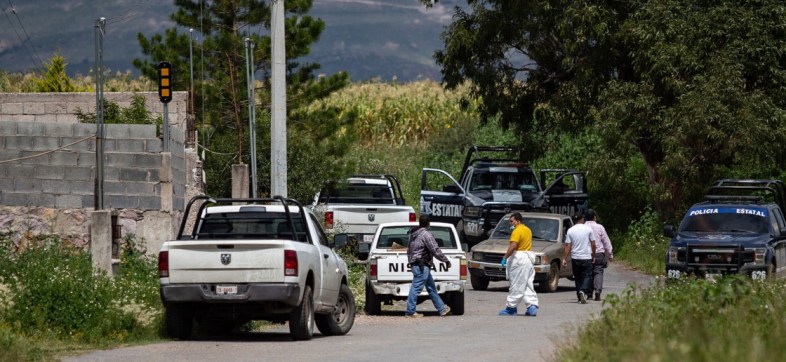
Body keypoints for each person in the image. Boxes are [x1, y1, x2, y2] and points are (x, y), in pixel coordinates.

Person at [405, 214, 452, 317]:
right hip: (422, 265)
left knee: (431, 288)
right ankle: (410, 311)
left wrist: (411, 261)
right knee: (416, 287)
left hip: (416, 264)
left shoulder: (413, 234)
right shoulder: (426, 234)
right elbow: (434, 249)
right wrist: (446, 260)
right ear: (428, 223)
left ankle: (442, 308)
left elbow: (408, 251)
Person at [498, 212, 539, 316]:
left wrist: (505, 257)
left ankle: (511, 308)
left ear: (518, 221)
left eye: (511, 221)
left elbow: (513, 246)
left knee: (516, 283)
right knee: (528, 283)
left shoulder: (517, 231)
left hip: (519, 259)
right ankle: (532, 306)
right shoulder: (528, 230)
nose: (510, 224)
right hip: (528, 258)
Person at [562, 213, 596, 304]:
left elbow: (568, 245)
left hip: (575, 257)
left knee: (577, 277)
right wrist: (593, 255)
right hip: (586, 256)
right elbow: (593, 243)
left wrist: (564, 258)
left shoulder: (570, 230)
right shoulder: (588, 229)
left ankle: (579, 295)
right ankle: (583, 290)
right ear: (582, 219)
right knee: (587, 275)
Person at [584, 209, 613, 301]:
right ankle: (597, 291)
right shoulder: (600, 227)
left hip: (586, 254)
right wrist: (610, 255)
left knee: (588, 273)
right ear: (594, 217)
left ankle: (588, 293)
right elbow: (606, 242)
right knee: (598, 272)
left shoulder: (582, 227)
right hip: (599, 254)